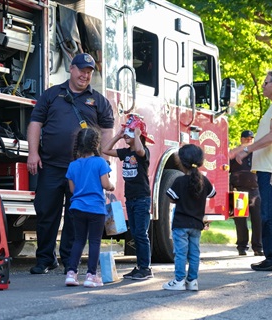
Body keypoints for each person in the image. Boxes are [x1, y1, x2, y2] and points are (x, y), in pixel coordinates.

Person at [27, 53, 114, 274]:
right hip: (51, 165)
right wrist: (33, 153)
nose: (85, 75)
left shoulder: (99, 100)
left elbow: (106, 132)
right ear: (71, 69)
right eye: (82, 70)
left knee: (76, 215)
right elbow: (35, 123)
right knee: (46, 212)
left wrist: (103, 161)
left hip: (84, 169)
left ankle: (69, 260)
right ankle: (45, 258)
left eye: (89, 72)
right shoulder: (52, 95)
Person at [235, 69, 272, 272]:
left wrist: (247, 149)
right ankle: (271, 256)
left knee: (270, 213)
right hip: (267, 168)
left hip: (270, 167)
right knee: (268, 212)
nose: (263, 85)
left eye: (266, 82)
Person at [103, 114, 155, 281]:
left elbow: (139, 150)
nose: (126, 135)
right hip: (130, 198)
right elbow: (105, 150)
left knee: (141, 233)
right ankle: (139, 266)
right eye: (126, 132)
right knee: (135, 232)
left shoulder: (143, 152)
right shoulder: (124, 152)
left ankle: (146, 268)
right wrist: (118, 136)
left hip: (142, 198)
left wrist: (138, 136)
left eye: (129, 132)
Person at [64, 127, 115, 288]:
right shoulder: (100, 163)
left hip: (77, 207)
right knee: (94, 241)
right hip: (95, 209)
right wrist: (112, 186)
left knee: (78, 240)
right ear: (97, 144)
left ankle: (71, 273)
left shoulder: (73, 165)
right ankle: (91, 275)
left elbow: (72, 190)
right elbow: (106, 184)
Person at [163, 144, 216, 291]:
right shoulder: (204, 181)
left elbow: (171, 199)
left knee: (180, 253)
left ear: (180, 161)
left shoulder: (179, 181)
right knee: (194, 253)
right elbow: (212, 194)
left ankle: (179, 280)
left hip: (180, 224)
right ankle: (192, 281)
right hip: (197, 224)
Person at [228, 130, 263, 256]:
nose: (249, 140)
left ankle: (258, 247)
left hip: (255, 190)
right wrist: (241, 149)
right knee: (240, 221)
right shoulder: (235, 152)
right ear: (241, 139)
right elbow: (226, 160)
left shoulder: (257, 153)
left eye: (251, 138)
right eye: (246, 138)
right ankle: (242, 247)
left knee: (258, 219)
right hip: (238, 190)